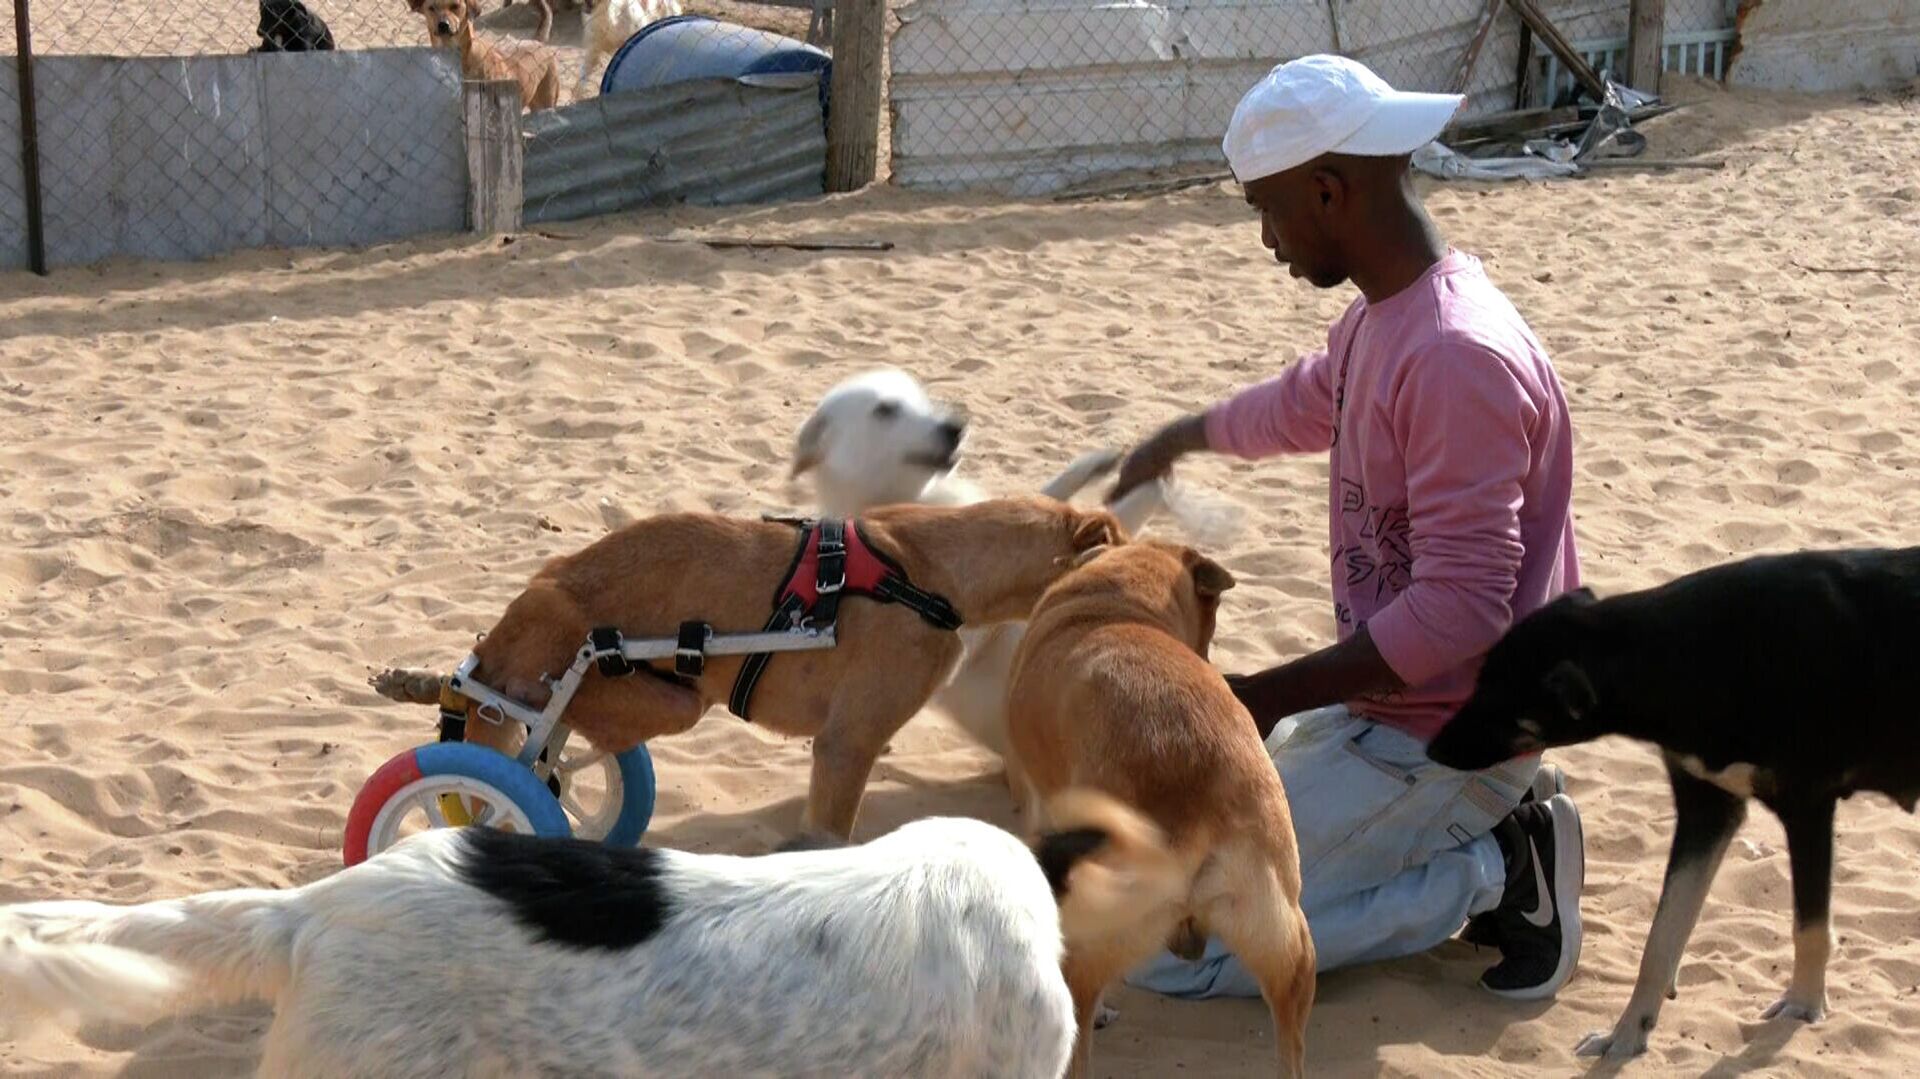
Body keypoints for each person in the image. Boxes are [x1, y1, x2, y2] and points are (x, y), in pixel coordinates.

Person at [1109, 54, 1587, 1001]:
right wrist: (1185, 435)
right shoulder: (1387, 320)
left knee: (1182, 952)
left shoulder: (1455, 358)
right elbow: (1309, 400)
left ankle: (1496, 863)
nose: (1266, 238)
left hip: (1454, 734)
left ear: (1327, 190)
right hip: (1391, 705)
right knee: (1159, 862)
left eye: (1267, 208)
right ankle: (1455, 831)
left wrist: (1267, 693)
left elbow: (1461, 607)